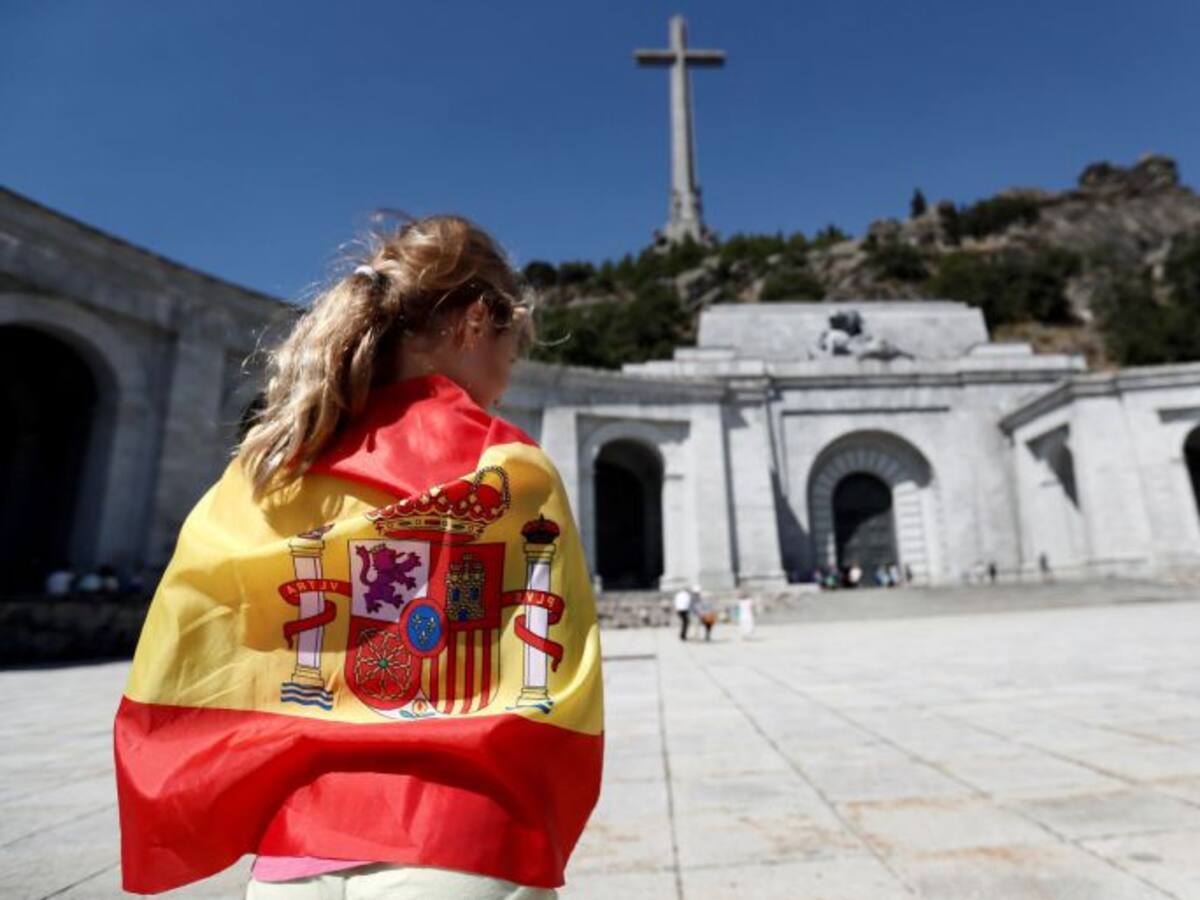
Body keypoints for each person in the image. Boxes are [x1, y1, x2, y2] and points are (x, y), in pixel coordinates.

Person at [113, 216, 604, 899]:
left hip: (292, 855)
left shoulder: (275, 465)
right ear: (475, 322)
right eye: (510, 353)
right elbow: (553, 668)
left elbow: (195, 624)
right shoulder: (506, 464)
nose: (503, 382)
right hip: (465, 843)